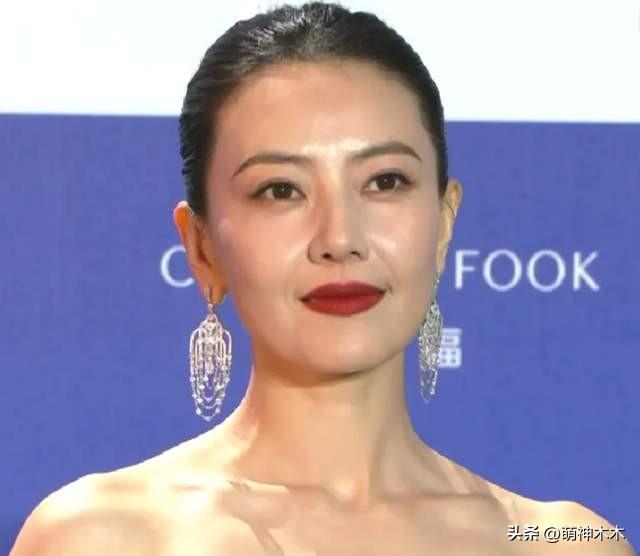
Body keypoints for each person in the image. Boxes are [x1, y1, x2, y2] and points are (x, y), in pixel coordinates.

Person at [10, 2, 636, 555]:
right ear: (202, 248)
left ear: (444, 222)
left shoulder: (562, 542)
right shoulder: (101, 538)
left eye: (385, 181)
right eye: (280, 190)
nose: (340, 238)